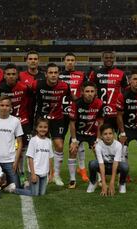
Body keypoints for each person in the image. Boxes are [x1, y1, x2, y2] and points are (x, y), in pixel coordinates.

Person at [32, 63, 72, 186]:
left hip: (57, 118)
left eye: (56, 72)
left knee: (59, 145)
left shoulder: (65, 86)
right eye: (51, 72)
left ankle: (56, 175)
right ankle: (36, 173)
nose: (53, 75)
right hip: (41, 119)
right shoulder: (37, 84)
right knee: (37, 146)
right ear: (46, 74)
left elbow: (71, 99)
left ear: (59, 74)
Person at [0, 64, 33, 183]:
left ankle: (23, 173)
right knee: (8, 147)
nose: (11, 76)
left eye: (13, 74)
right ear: (4, 75)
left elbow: (31, 105)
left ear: (17, 75)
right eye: (8, 74)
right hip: (6, 122)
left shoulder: (24, 88)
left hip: (22, 121)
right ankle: (5, 173)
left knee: (25, 149)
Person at [68, 81, 104, 189]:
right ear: (82, 92)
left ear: (95, 92)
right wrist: (74, 140)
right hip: (78, 133)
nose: (89, 93)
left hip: (92, 133)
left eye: (92, 91)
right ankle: (72, 179)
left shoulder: (99, 103)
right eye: (87, 91)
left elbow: (100, 123)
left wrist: (98, 139)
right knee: (72, 151)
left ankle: (101, 178)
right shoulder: (76, 103)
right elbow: (72, 123)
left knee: (98, 152)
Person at [59, 52, 88, 183]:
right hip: (60, 113)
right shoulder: (58, 76)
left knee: (79, 142)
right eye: (68, 60)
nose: (70, 62)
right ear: (64, 62)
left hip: (77, 113)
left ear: (75, 62)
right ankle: (55, 172)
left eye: (72, 60)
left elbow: (86, 91)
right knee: (58, 143)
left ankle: (82, 169)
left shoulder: (81, 75)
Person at [89, 51, 128, 130]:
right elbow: (89, 89)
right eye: (106, 58)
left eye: (111, 58)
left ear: (114, 59)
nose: (108, 60)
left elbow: (127, 91)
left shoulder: (121, 74)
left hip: (116, 112)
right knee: (100, 138)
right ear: (102, 59)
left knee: (120, 137)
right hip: (100, 111)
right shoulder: (95, 73)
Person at [15, 118, 53, 196]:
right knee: (34, 194)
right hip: (35, 172)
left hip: (44, 172)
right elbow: (30, 158)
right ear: (36, 128)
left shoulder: (49, 141)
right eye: (40, 127)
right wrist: (33, 174)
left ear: (48, 128)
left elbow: (50, 158)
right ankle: (13, 189)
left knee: (42, 194)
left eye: (45, 127)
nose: (43, 129)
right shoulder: (33, 140)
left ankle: (28, 186)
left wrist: (50, 173)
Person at [87, 124, 129, 195]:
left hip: (114, 166)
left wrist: (112, 182)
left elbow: (116, 163)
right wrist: (103, 183)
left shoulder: (118, 145)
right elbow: (101, 164)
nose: (108, 136)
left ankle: (122, 183)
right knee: (92, 164)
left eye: (110, 133)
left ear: (113, 134)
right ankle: (93, 182)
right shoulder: (98, 146)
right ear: (101, 136)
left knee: (125, 166)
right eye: (105, 134)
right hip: (104, 166)